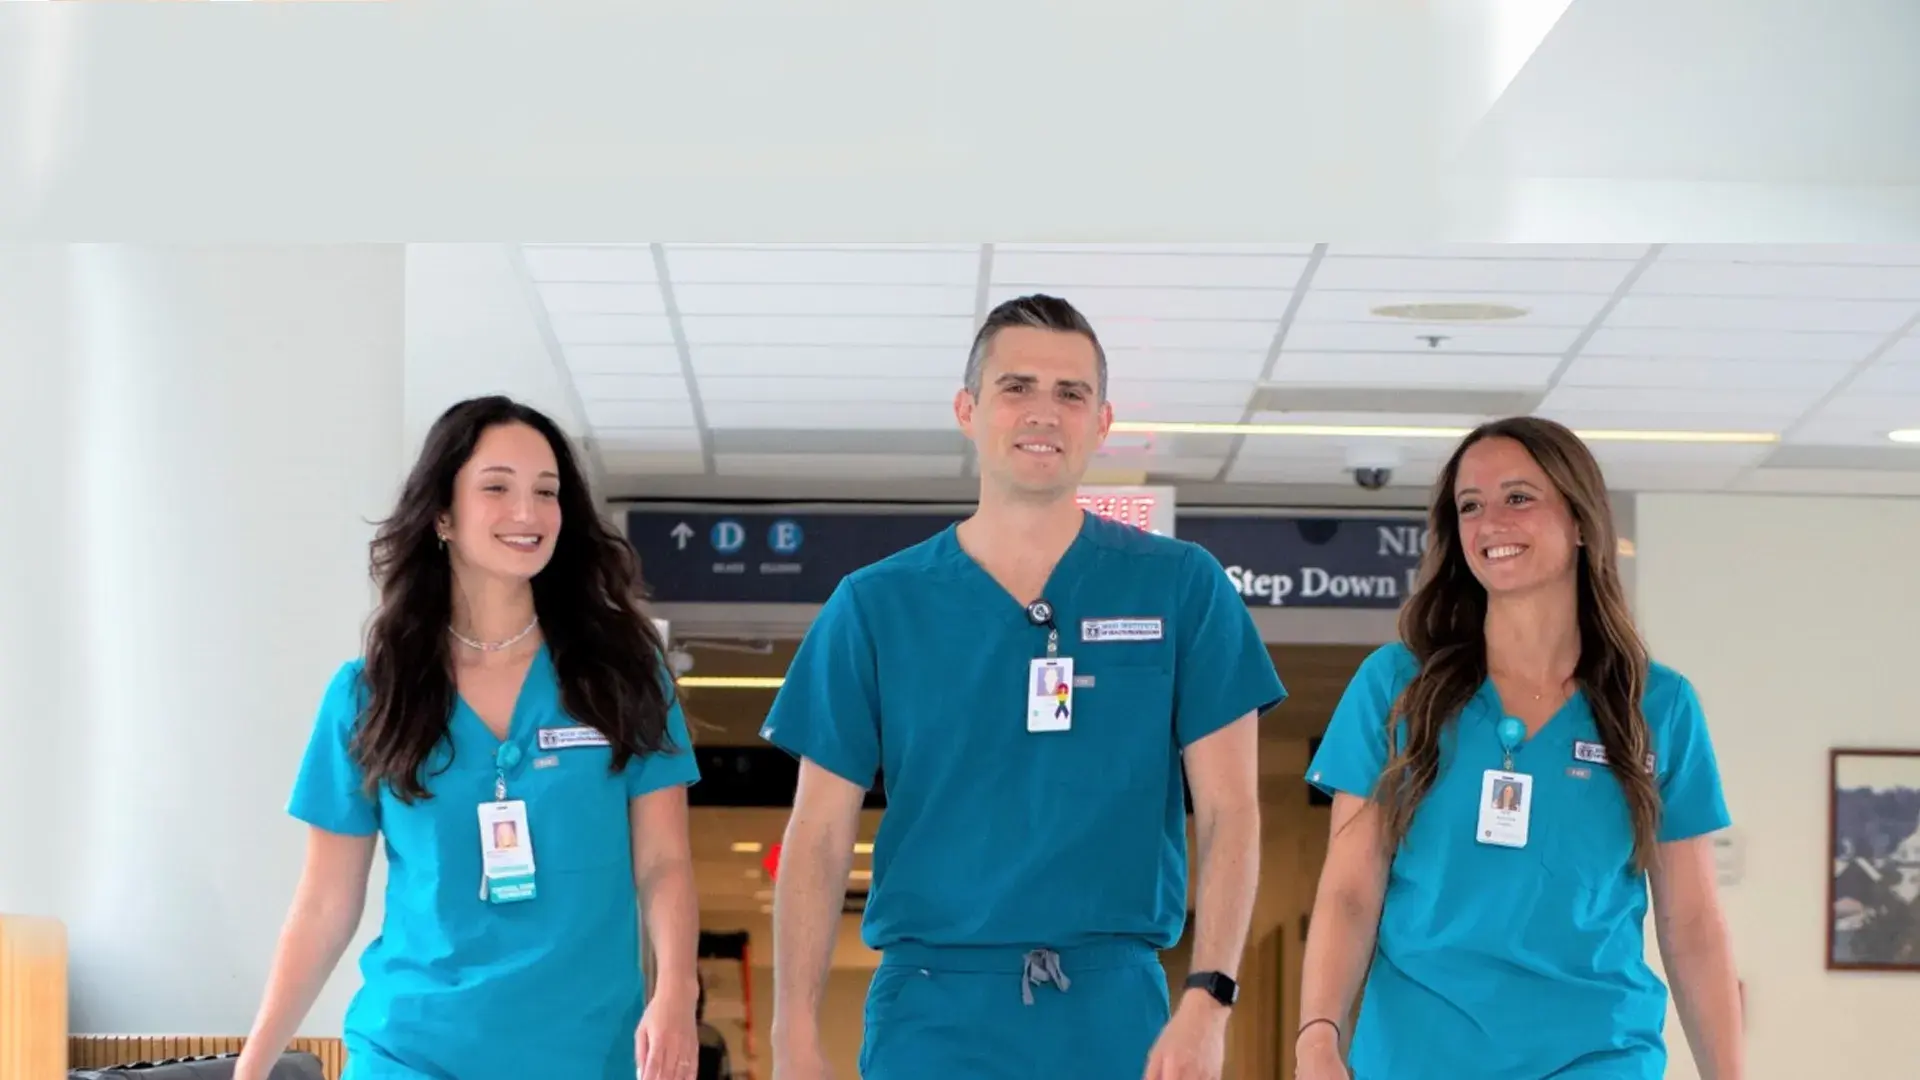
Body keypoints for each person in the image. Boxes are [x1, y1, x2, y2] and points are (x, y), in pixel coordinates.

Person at [760, 295, 1287, 1079]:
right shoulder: (875, 605)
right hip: (931, 1008)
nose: (1044, 411)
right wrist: (792, 1031)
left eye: (1071, 393)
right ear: (968, 409)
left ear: (1102, 422)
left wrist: (1209, 997)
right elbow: (819, 833)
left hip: (1115, 1008)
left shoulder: (1181, 588)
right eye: (1018, 386)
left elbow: (1231, 810)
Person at [233, 396, 704, 1080]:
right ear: (442, 516)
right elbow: (326, 903)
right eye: (497, 488)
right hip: (413, 1049)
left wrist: (675, 991)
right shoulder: (371, 694)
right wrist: (252, 1067)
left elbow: (663, 863)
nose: (527, 512)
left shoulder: (623, 675)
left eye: (547, 493)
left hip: (583, 1051)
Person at [1295, 416, 1743, 1080]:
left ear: (1582, 519)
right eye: (1470, 506)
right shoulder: (1396, 687)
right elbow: (1350, 891)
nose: (1489, 523)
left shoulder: (1658, 706)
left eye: (1518, 497)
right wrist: (1317, 1038)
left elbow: (1693, 923)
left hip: (1597, 1053)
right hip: (1418, 1055)